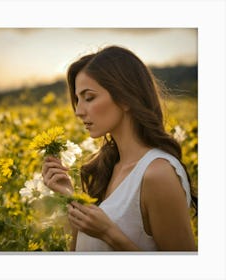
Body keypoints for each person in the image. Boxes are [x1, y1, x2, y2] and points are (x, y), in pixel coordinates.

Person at [42, 45, 197, 251]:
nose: (78, 111)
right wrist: (69, 194)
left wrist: (109, 233)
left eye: (89, 98)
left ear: (125, 98)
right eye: (77, 100)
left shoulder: (157, 174)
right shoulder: (105, 168)